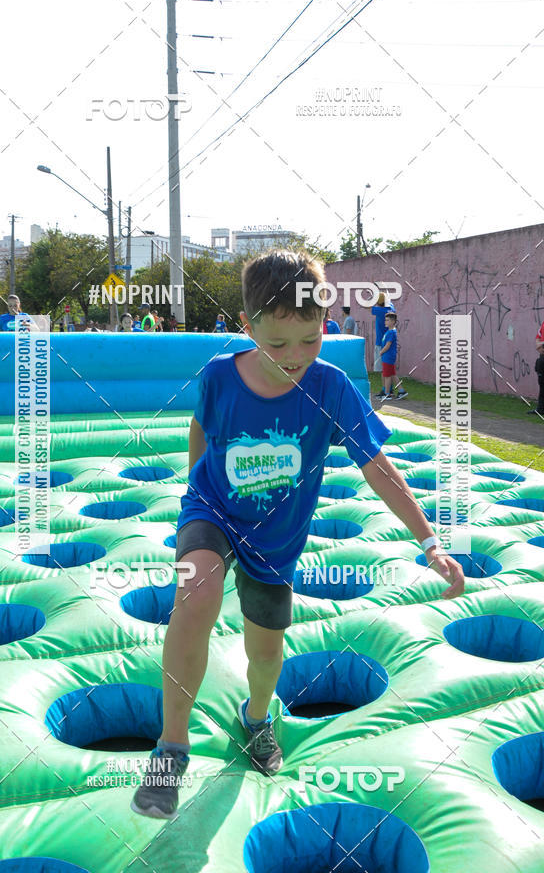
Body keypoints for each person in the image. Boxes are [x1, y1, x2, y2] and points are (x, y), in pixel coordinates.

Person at [130, 249, 464, 820]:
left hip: (276, 541)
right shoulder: (219, 376)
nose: (294, 357)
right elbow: (201, 428)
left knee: (265, 654)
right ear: (248, 326)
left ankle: (257, 718)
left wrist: (430, 542)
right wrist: (194, 488)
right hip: (212, 511)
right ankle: (171, 750)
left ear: (324, 323)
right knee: (196, 592)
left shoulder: (331, 388)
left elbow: (377, 467)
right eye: (277, 343)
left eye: (310, 340)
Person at [379, 312, 408, 400]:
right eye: (385, 320)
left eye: (387, 320)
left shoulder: (391, 332)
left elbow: (388, 345)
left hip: (388, 357)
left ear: (393, 321)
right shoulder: (389, 331)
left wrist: (381, 352)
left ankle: (387, 394)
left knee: (387, 376)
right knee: (392, 374)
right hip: (387, 356)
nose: (385, 322)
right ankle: (401, 391)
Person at [371, 291, 395, 396]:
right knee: (388, 367)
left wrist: (371, 298)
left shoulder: (380, 310)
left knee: (383, 369)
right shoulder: (391, 308)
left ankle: (385, 390)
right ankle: (389, 389)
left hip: (381, 343)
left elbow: (366, 306)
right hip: (389, 342)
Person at [528, 342, 544, 416]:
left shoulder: (540, 359)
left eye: (540, 348)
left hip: (542, 379)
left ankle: (540, 410)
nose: (538, 350)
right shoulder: (540, 358)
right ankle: (540, 409)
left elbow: (536, 369)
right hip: (541, 379)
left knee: (542, 395)